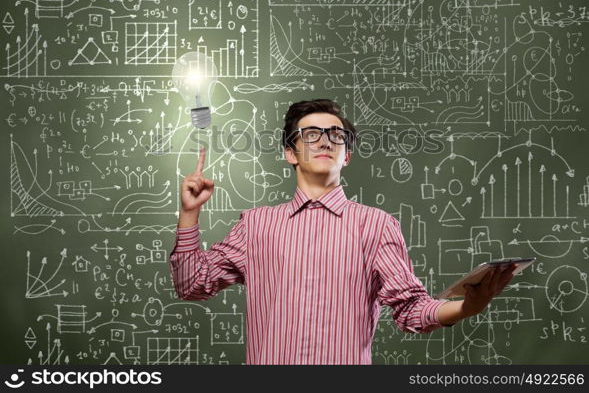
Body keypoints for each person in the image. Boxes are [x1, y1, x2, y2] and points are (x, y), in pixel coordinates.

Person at [168, 99, 516, 364]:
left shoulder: (376, 225)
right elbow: (191, 285)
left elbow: (410, 309)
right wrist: (189, 213)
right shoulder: (256, 225)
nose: (325, 141)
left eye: (337, 135)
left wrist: (468, 307)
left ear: (347, 154)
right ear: (290, 152)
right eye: (311, 134)